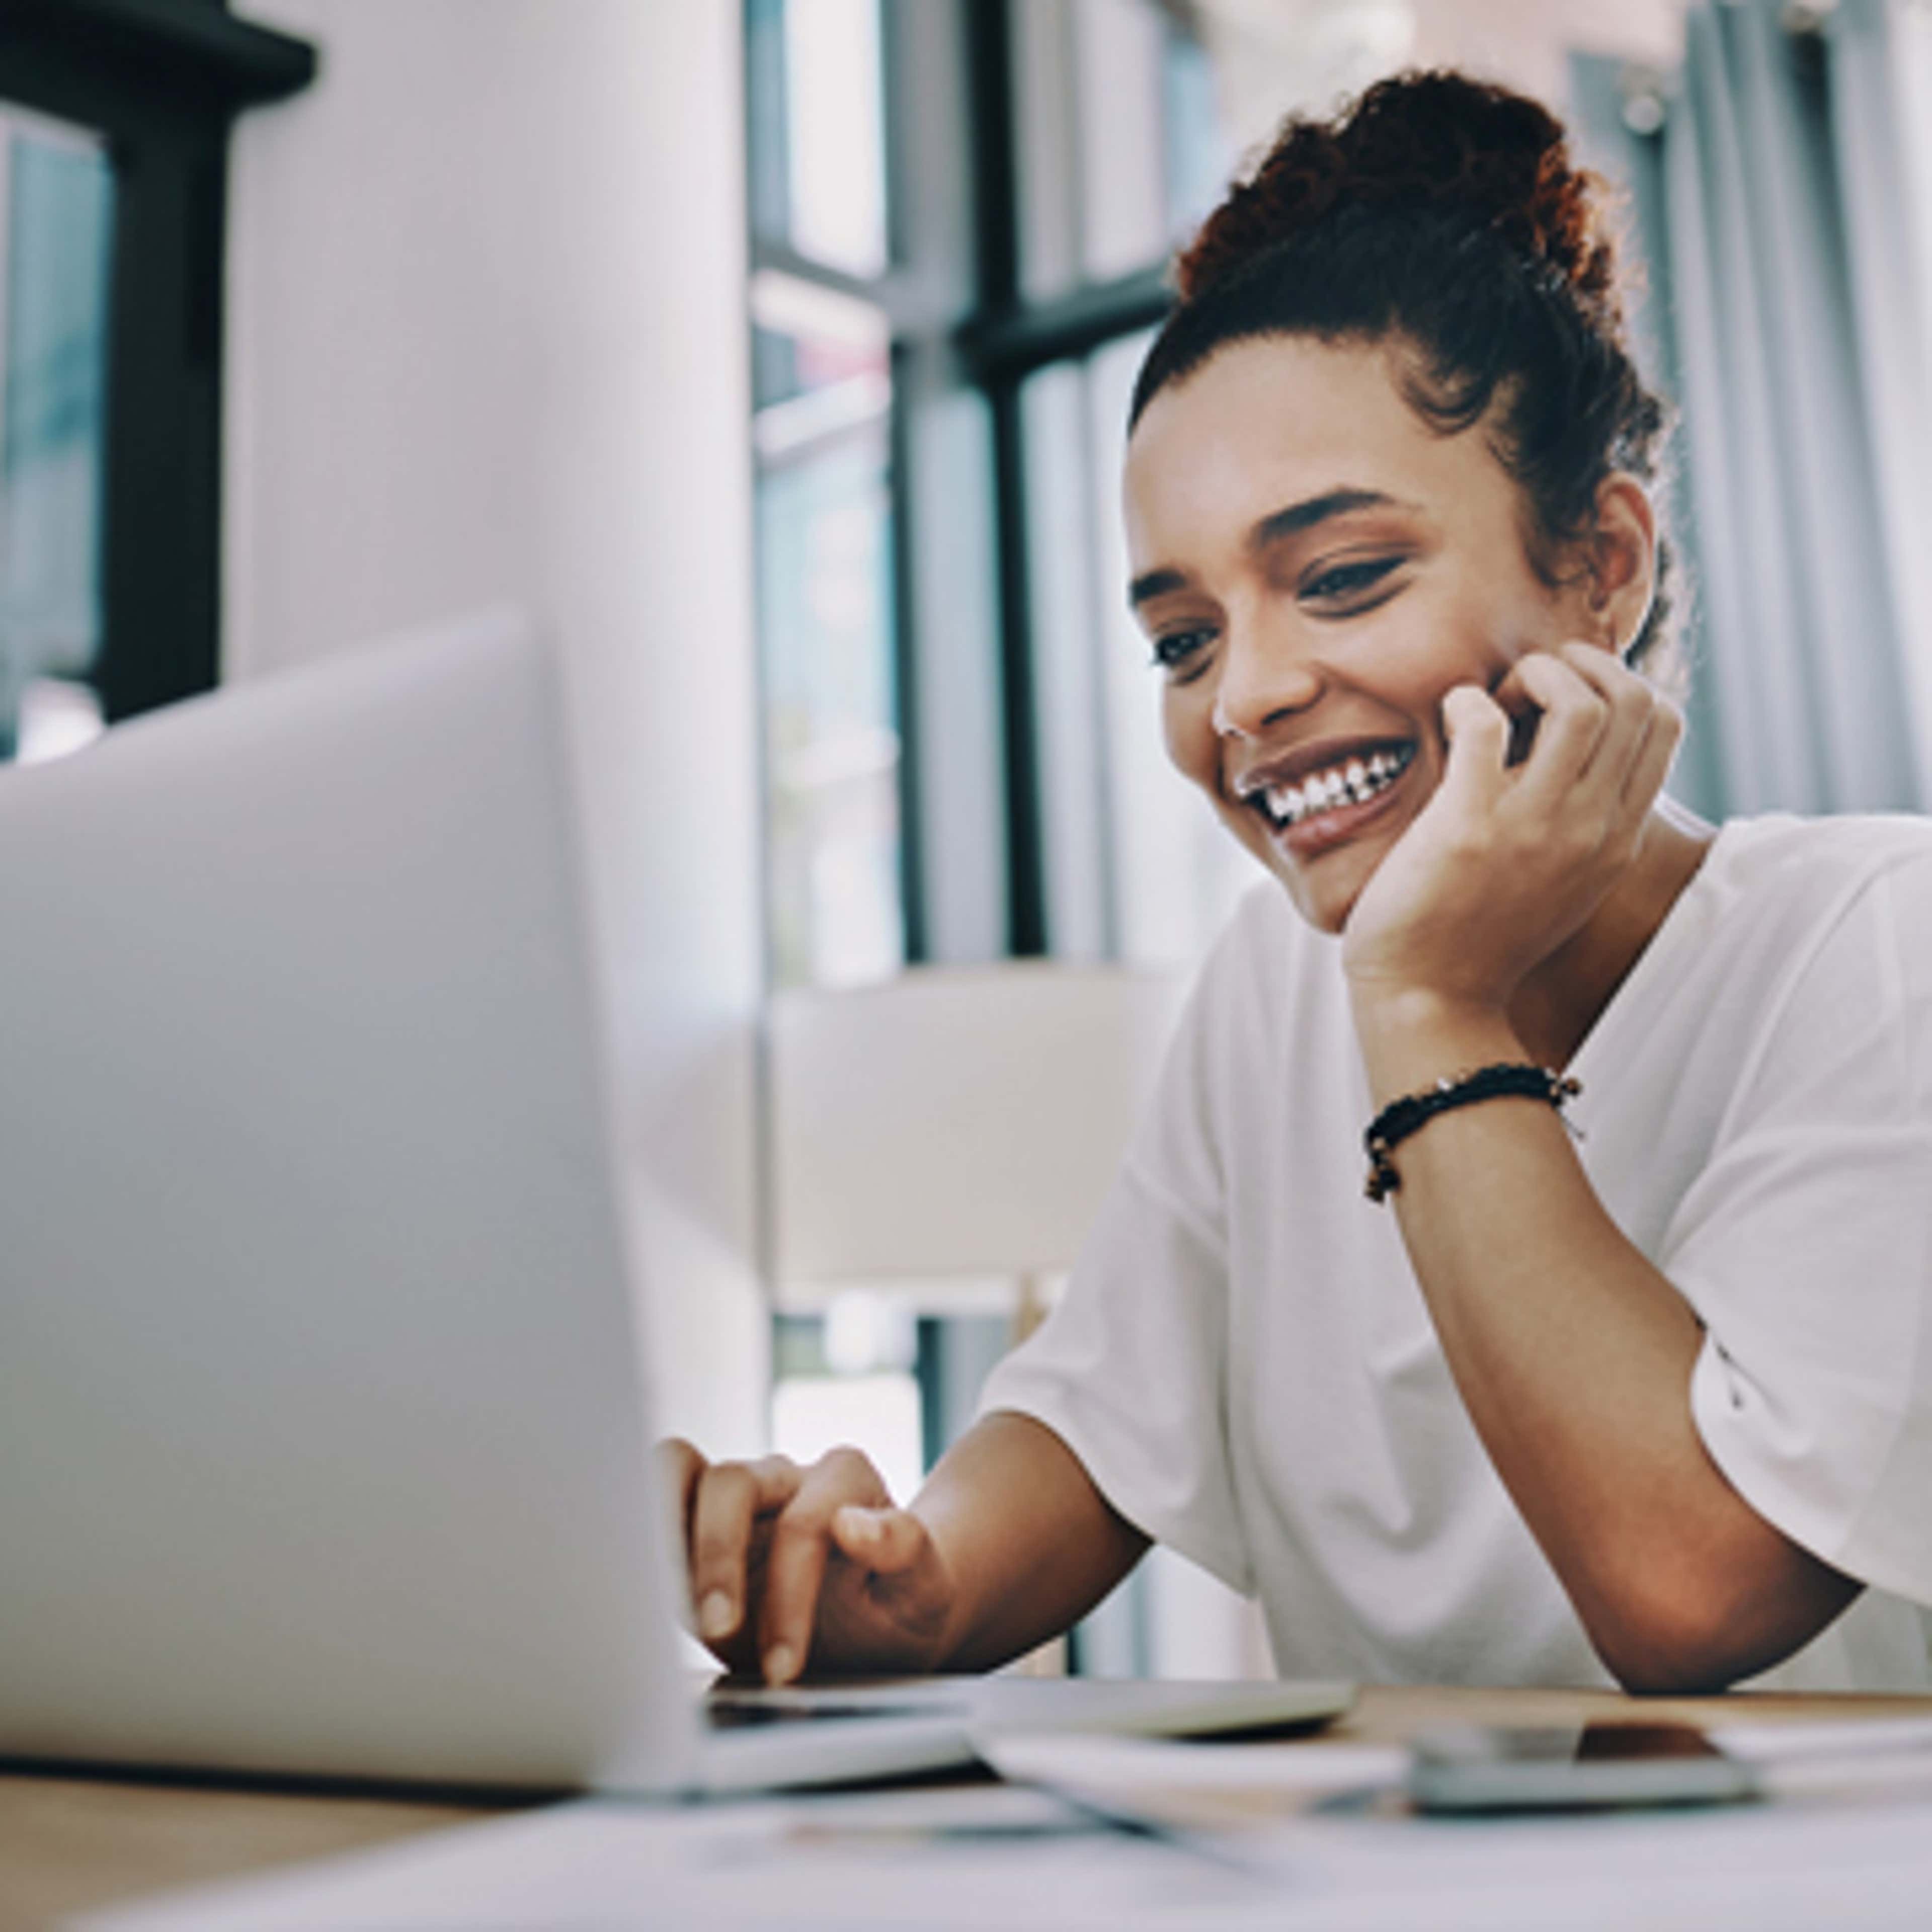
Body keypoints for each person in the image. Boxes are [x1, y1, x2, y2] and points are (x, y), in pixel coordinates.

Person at [662, 70, 1932, 1696]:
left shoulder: (1874, 950)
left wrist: (1430, 998)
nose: (1244, 696)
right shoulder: (1269, 993)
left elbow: (1689, 1592)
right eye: (1182, 639)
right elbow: (1090, 1429)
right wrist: (893, 1590)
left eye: (1339, 579)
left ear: (1601, 567)